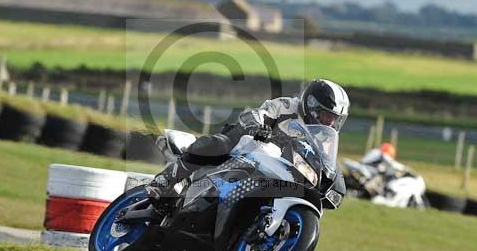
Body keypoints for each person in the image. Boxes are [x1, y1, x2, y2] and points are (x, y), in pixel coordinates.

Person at [146, 79, 350, 208]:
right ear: (312, 105)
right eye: (326, 115)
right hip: (251, 144)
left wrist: (331, 180)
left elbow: (323, 160)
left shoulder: (325, 136)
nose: (330, 122)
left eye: (334, 118)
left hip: (280, 169)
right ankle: (166, 179)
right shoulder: (288, 106)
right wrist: (257, 122)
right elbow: (261, 112)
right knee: (219, 144)